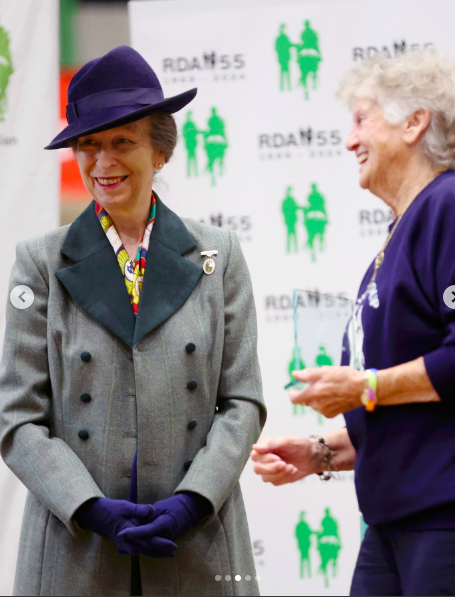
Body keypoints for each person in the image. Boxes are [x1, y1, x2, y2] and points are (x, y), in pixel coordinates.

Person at [0, 46, 266, 597]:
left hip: (196, 545)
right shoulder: (40, 262)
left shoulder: (219, 255)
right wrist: (91, 509)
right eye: (89, 145)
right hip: (77, 549)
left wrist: (192, 502)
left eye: (123, 142)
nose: (103, 163)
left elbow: (242, 402)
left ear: (160, 151)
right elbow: (18, 417)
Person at [252, 49, 455, 597]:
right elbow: (409, 410)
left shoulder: (452, 204)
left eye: (361, 119)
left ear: (415, 122)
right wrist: (322, 452)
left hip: (451, 523)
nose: (349, 141)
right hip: (393, 524)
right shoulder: (400, 232)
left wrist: (368, 387)